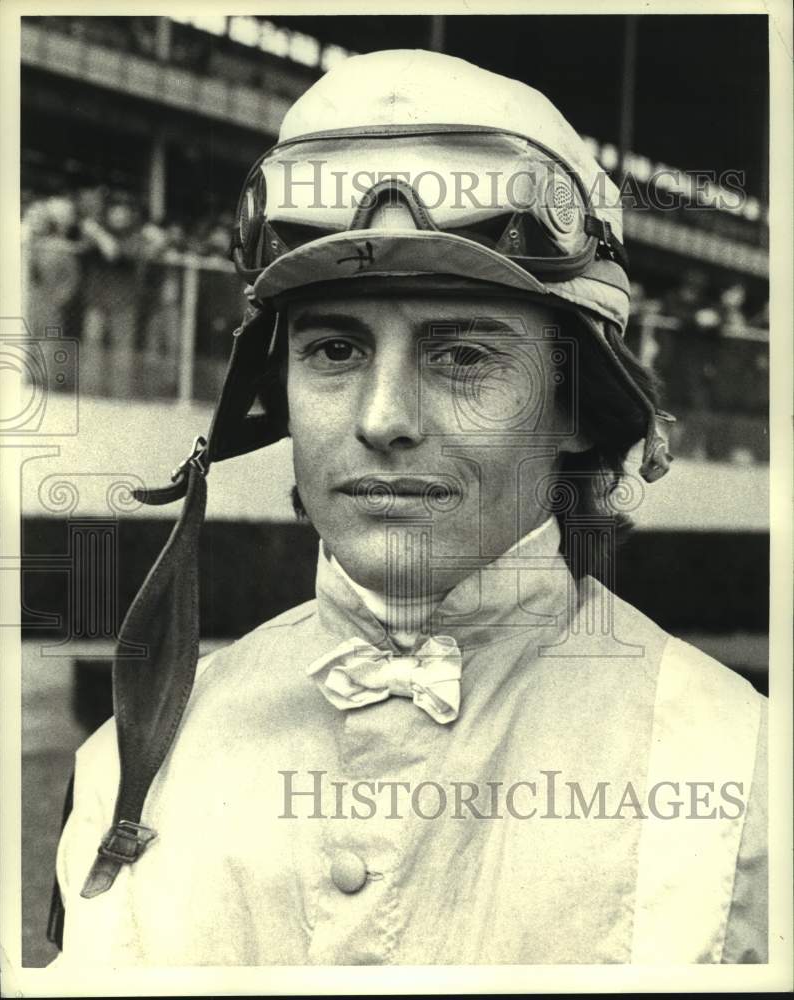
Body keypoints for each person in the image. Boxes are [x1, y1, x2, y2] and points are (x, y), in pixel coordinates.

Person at [48, 49, 766, 967]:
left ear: (581, 409)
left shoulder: (750, 777)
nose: (382, 419)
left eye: (461, 356)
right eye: (335, 351)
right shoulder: (120, 768)